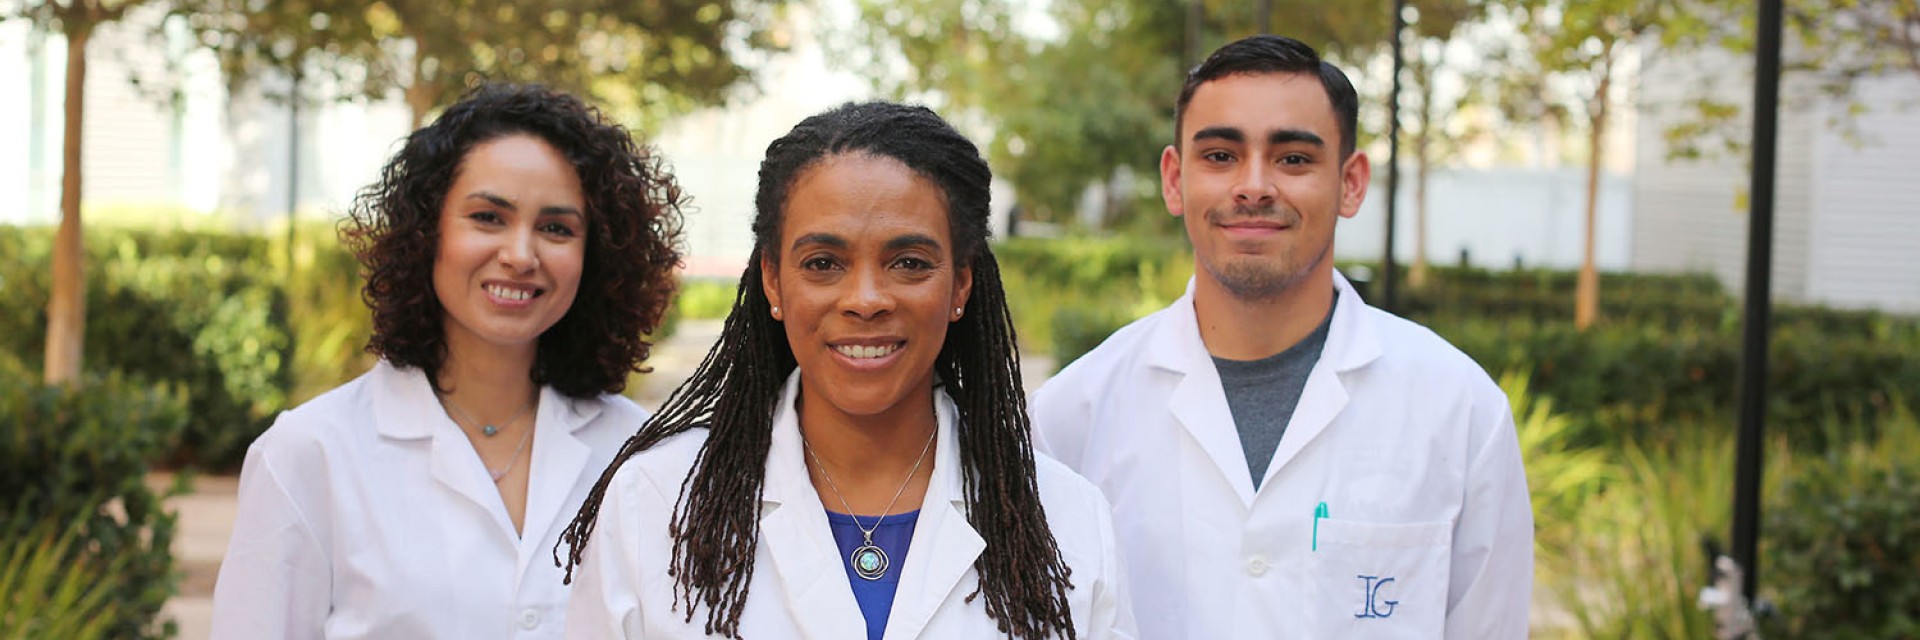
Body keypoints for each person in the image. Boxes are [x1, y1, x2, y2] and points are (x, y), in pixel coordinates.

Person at [557, 101, 1134, 640]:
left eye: (908, 263)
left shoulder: (1067, 520)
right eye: (823, 263)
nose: (864, 299)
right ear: (773, 281)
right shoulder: (654, 503)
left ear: (961, 283)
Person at [1028, 35, 1533, 638]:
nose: (1254, 185)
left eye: (1293, 158)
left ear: (1350, 182)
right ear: (1174, 179)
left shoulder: (1460, 411)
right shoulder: (1070, 417)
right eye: (1220, 155)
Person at [210, 83, 685, 639]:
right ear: (427, 232)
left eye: (556, 228)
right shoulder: (310, 453)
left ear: (595, 255)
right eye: (488, 217)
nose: (520, 255)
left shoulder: (644, 456)